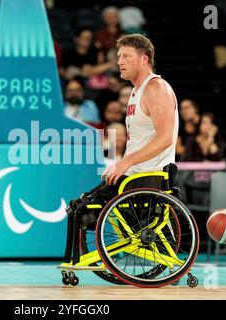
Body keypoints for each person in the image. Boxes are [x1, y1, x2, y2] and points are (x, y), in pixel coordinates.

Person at [63, 34, 179, 263]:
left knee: (80, 209)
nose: (119, 62)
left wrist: (125, 162)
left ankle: (74, 263)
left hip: (149, 176)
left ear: (144, 59)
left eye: (126, 56)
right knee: (78, 207)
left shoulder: (156, 88)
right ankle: (73, 261)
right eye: (119, 56)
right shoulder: (136, 92)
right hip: (135, 174)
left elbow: (165, 138)